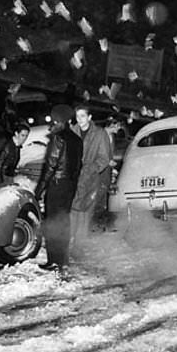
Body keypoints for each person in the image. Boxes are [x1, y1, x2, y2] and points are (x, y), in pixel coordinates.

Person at [34, 104, 82, 271]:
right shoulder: (77, 140)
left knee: (53, 221)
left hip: (56, 185)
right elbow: (78, 167)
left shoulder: (58, 138)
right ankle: (63, 260)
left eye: (54, 121)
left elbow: (51, 166)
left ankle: (54, 260)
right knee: (63, 221)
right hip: (69, 185)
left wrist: (39, 190)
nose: (51, 124)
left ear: (60, 121)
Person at [70, 104, 113, 246]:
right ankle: (69, 242)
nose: (79, 119)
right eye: (77, 116)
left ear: (89, 117)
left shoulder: (100, 134)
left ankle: (79, 246)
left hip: (91, 179)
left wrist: (90, 169)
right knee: (72, 210)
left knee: (85, 212)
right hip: (74, 177)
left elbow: (104, 157)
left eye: (82, 116)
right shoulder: (72, 132)